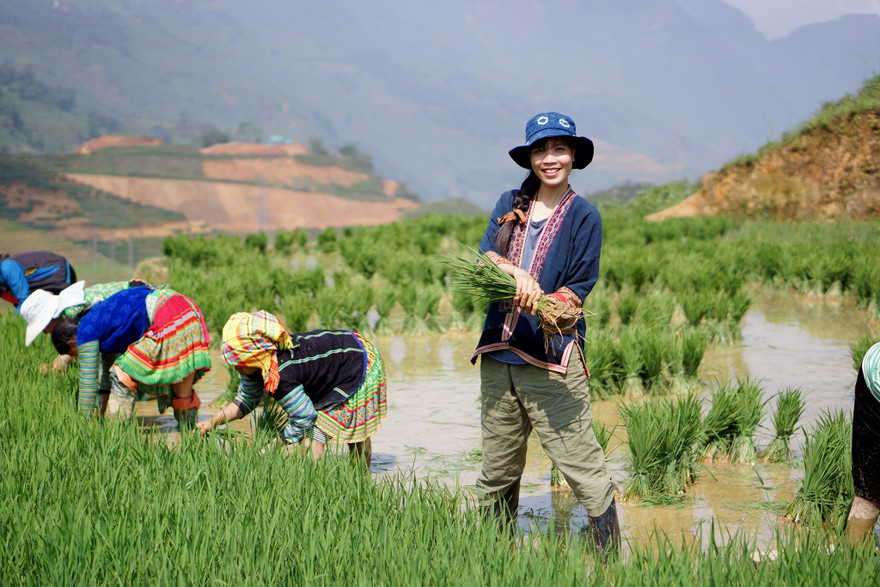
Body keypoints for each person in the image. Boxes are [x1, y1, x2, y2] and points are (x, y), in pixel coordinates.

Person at [470, 112, 618, 558]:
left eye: (559, 149)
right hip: (499, 353)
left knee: (580, 463)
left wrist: (546, 303)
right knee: (497, 467)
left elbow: (578, 289)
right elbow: (484, 257)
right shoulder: (509, 202)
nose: (549, 158)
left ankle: (609, 564)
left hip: (551, 360)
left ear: (573, 156)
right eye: (540, 150)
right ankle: (496, 558)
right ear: (530, 158)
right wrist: (514, 274)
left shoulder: (584, 216)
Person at [197, 311, 387, 466]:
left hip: (358, 361)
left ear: (254, 356)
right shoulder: (256, 365)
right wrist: (211, 422)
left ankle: (359, 478)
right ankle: (317, 483)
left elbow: (304, 419)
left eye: (238, 362)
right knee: (314, 433)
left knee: (323, 435)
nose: (235, 367)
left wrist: (270, 448)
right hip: (333, 363)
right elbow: (246, 399)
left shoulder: (281, 376)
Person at [50, 285, 211, 426]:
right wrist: (98, 418)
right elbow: (104, 381)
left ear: (71, 342)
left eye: (73, 354)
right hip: (183, 308)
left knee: (122, 372)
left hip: (166, 314)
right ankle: (189, 433)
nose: (77, 357)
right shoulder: (103, 329)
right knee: (181, 383)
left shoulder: (85, 332)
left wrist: (82, 425)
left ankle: (117, 431)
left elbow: (88, 385)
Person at [845, 341, 880, 544]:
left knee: (869, 496)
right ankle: (853, 558)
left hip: (874, 368)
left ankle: (852, 559)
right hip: (874, 380)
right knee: (869, 494)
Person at [0, 250, 76, 308]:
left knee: (67, 310)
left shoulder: (7, 267)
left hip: (58, 272)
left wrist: (15, 320)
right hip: (50, 282)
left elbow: (25, 301)